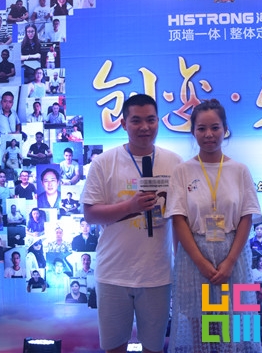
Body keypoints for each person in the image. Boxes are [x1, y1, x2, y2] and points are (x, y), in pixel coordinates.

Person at [82, 94, 182, 353]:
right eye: (136, 121)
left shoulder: (175, 162)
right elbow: (90, 214)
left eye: (151, 120)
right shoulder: (104, 162)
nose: (144, 127)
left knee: (154, 348)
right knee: (114, 348)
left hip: (157, 273)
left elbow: (180, 218)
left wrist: (181, 263)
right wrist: (131, 206)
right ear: (124, 124)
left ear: (158, 121)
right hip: (113, 272)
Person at [166, 99, 260, 352]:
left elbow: (247, 217)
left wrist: (229, 261)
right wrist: (201, 263)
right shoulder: (182, 171)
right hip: (195, 256)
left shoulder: (239, 170)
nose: (208, 134)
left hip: (234, 256)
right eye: (201, 128)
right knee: (200, 326)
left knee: (236, 324)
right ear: (193, 131)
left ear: (225, 129)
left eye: (215, 127)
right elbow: (178, 219)